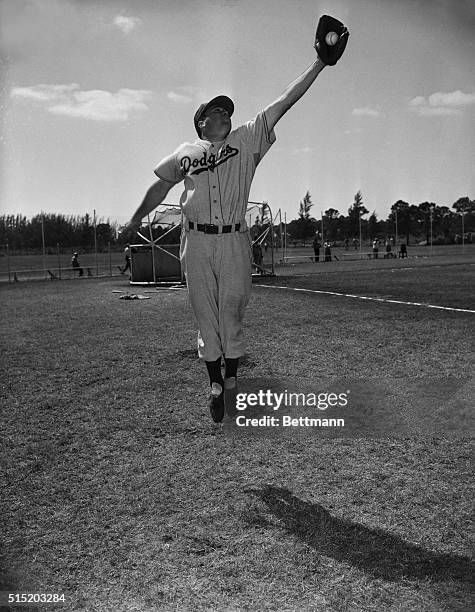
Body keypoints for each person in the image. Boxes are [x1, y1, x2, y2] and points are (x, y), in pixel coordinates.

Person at [124, 16, 349, 422]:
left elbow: (284, 102)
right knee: (204, 310)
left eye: (227, 110)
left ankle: (230, 377)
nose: (225, 114)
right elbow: (160, 184)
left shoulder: (246, 140)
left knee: (232, 309)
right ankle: (215, 382)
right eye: (216, 112)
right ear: (201, 123)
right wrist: (138, 215)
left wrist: (318, 64)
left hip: (233, 239)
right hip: (196, 240)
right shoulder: (187, 152)